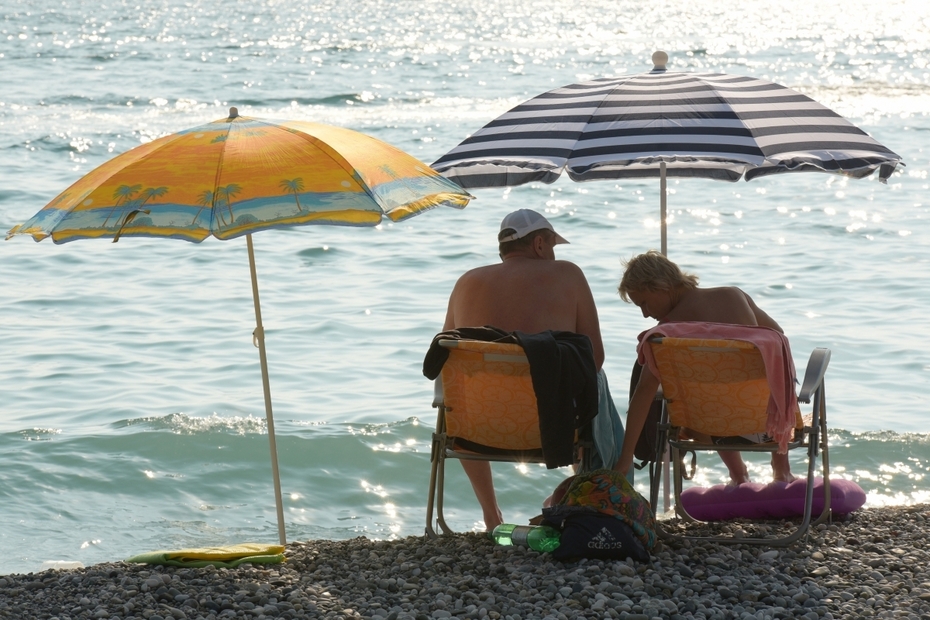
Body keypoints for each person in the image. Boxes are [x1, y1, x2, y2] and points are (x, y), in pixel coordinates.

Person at [441, 208, 606, 531]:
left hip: (475, 429)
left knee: (458, 394)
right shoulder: (568, 274)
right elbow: (594, 358)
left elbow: (446, 356)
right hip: (554, 426)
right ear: (541, 244)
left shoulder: (467, 281)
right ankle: (584, 498)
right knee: (586, 379)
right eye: (554, 245)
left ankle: (491, 515)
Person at [612, 250, 795, 485]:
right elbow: (777, 336)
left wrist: (625, 460)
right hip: (765, 425)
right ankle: (781, 469)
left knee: (706, 396)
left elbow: (642, 394)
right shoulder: (733, 296)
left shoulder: (667, 334)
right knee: (769, 361)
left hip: (708, 431)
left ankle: (739, 475)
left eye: (644, 303)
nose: (645, 314)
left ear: (662, 286)